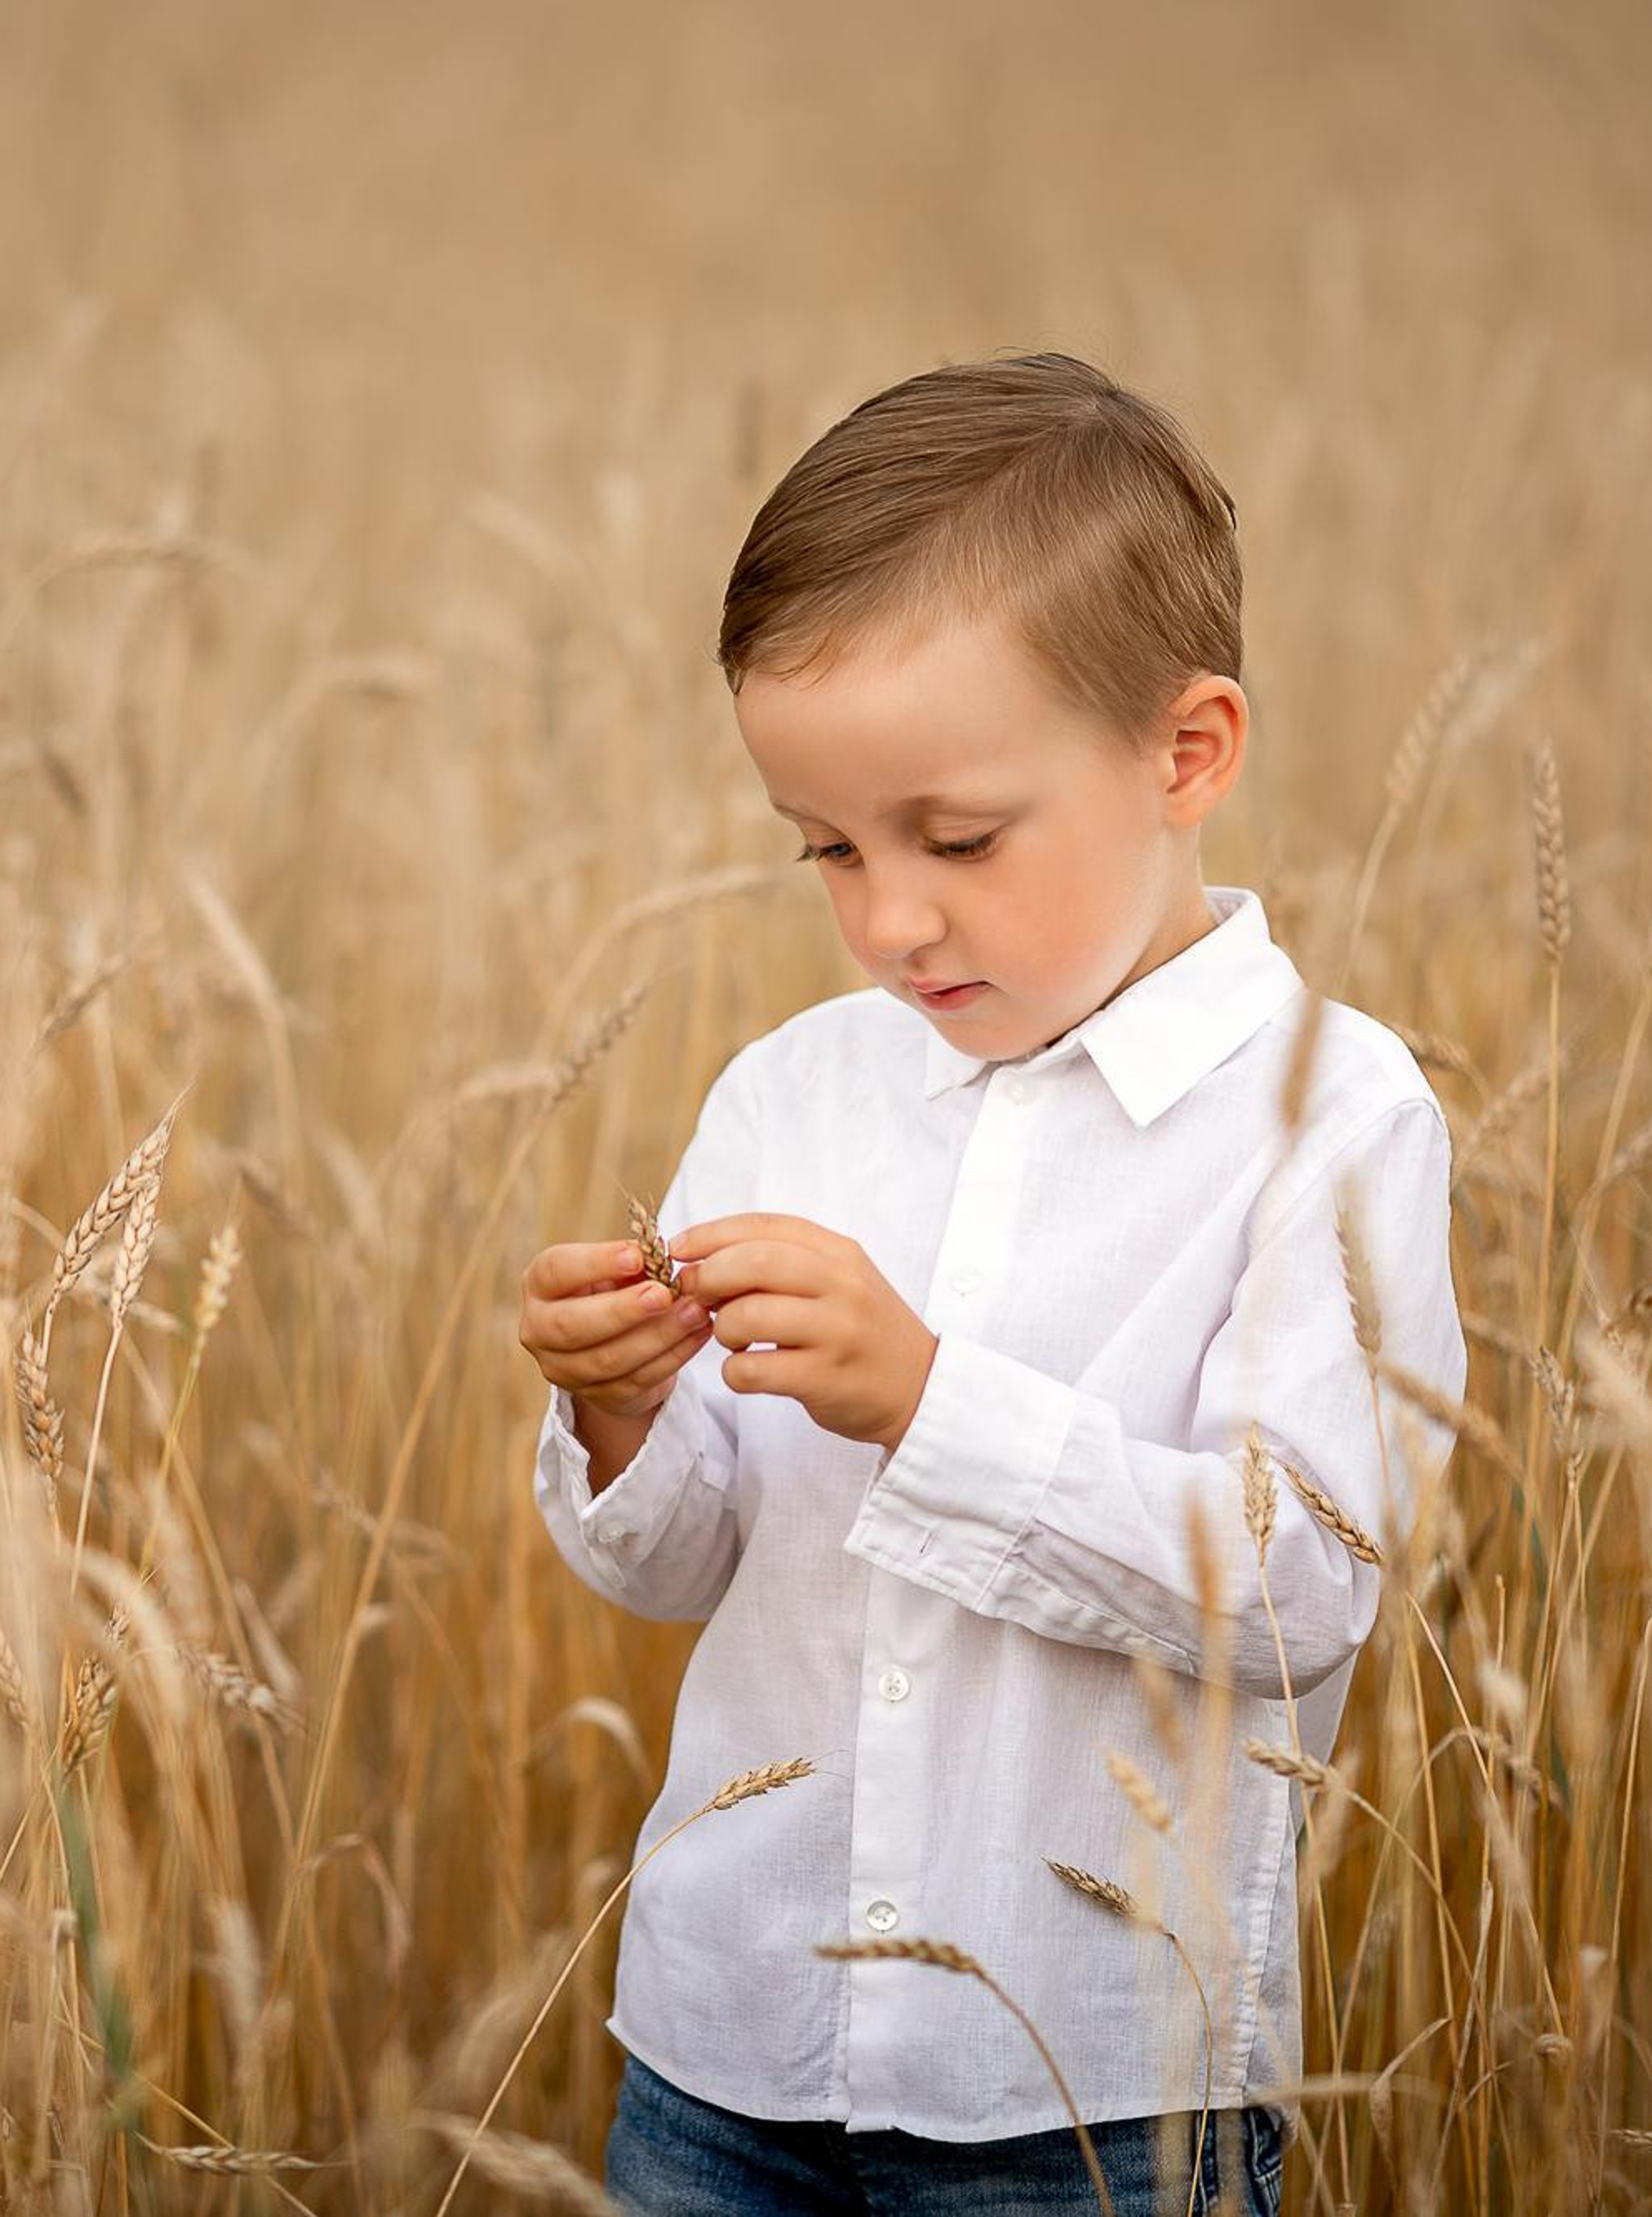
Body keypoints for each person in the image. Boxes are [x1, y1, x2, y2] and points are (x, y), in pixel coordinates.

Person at [518, 351, 1467, 2214]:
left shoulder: (1329, 1116)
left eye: (955, 839)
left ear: (1184, 753)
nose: (887, 918)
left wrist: (925, 1400)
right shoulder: (792, 1089)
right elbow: (680, 1563)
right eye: (827, 847)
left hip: (1085, 2099)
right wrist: (620, 1407)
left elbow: (1302, 1585)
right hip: (724, 2051)